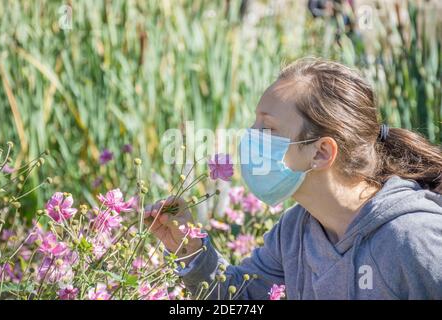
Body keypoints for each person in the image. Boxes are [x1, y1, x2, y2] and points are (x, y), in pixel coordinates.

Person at [144, 58, 442, 299]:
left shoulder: (413, 238)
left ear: (322, 152)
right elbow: (241, 296)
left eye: (268, 128)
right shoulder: (296, 231)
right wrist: (190, 249)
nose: (250, 138)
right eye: (255, 124)